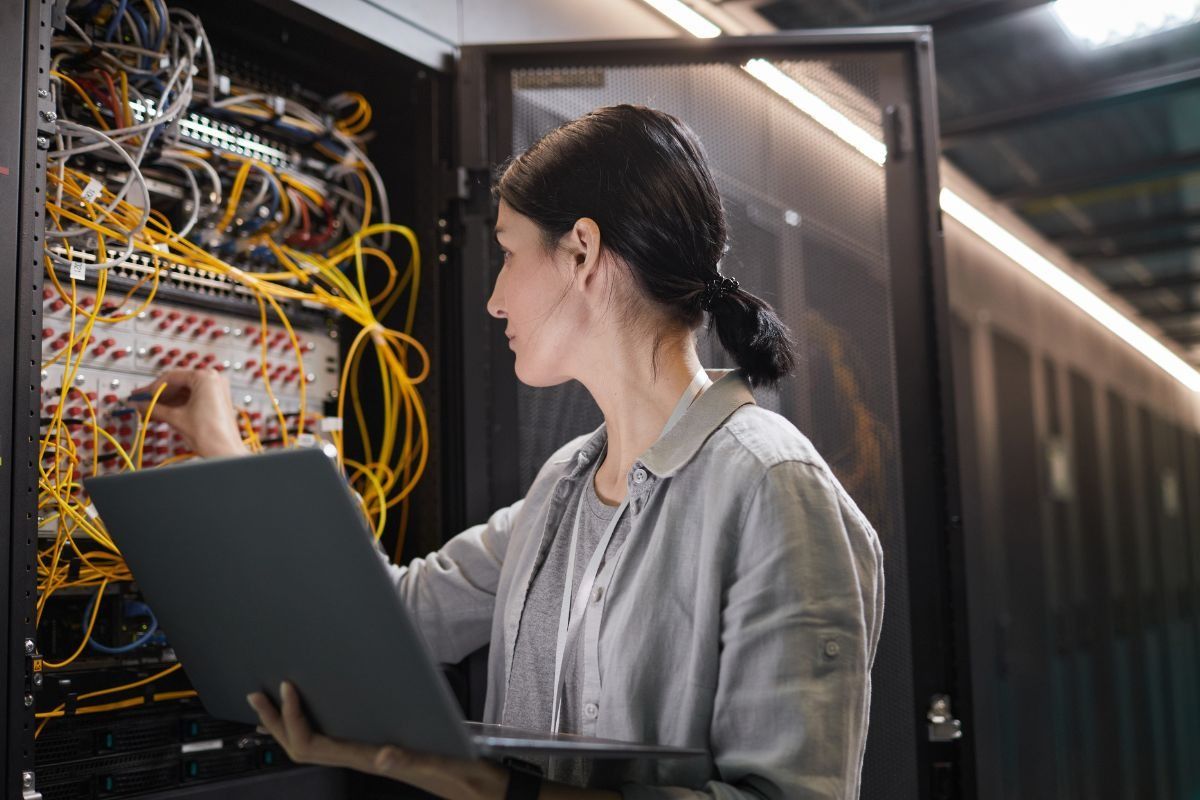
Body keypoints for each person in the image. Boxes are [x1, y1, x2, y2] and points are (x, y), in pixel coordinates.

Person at [142, 105, 883, 800]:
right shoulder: (565, 486)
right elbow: (398, 616)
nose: (495, 299)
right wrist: (224, 448)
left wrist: (483, 785)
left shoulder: (773, 489)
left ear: (581, 252)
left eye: (506, 251)